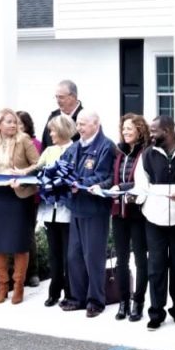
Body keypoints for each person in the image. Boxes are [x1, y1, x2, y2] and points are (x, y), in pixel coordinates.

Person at [133, 115, 175, 331]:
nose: (150, 135)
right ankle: (156, 312)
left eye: (155, 131)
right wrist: (142, 203)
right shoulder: (147, 154)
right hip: (154, 219)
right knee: (156, 267)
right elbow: (141, 183)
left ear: (169, 130)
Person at [0, 109, 40, 304]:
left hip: (18, 196)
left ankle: (19, 286)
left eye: (14, 122)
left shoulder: (24, 140)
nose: (13, 125)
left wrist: (23, 174)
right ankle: (2, 286)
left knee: (19, 242)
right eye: (8, 122)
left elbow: (38, 165)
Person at [61, 111, 115, 317]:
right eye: (78, 124)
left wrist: (81, 184)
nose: (79, 127)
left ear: (96, 124)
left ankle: (96, 300)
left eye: (83, 124)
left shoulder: (106, 147)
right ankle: (77, 297)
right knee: (74, 255)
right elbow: (63, 168)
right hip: (75, 208)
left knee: (93, 256)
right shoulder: (75, 147)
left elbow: (104, 175)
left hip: (95, 210)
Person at [21, 115, 76, 307]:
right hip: (50, 209)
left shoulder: (75, 149)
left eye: (52, 130)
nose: (50, 134)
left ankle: (70, 292)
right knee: (54, 253)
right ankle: (54, 291)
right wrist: (20, 174)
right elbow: (36, 169)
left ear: (61, 130)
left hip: (67, 210)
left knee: (68, 254)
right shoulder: (49, 150)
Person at [109, 113, 150, 321]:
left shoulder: (146, 153)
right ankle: (123, 301)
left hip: (138, 213)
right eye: (123, 128)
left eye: (129, 128)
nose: (125, 132)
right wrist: (104, 187)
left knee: (141, 260)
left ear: (139, 130)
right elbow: (112, 178)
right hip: (119, 212)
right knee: (121, 260)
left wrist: (122, 187)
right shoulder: (119, 152)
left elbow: (145, 183)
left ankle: (138, 301)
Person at [16, 110, 42, 288]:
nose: (15, 126)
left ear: (26, 126)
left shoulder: (35, 143)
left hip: (30, 196)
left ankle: (32, 272)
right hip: (10, 196)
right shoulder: (7, 142)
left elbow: (37, 167)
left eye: (19, 123)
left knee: (28, 234)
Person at [41, 80, 83, 149]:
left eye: (61, 97)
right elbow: (44, 144)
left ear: (73, 97)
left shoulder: (85, 118)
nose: (57, 101)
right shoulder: (53, 117)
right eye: (56, 97)